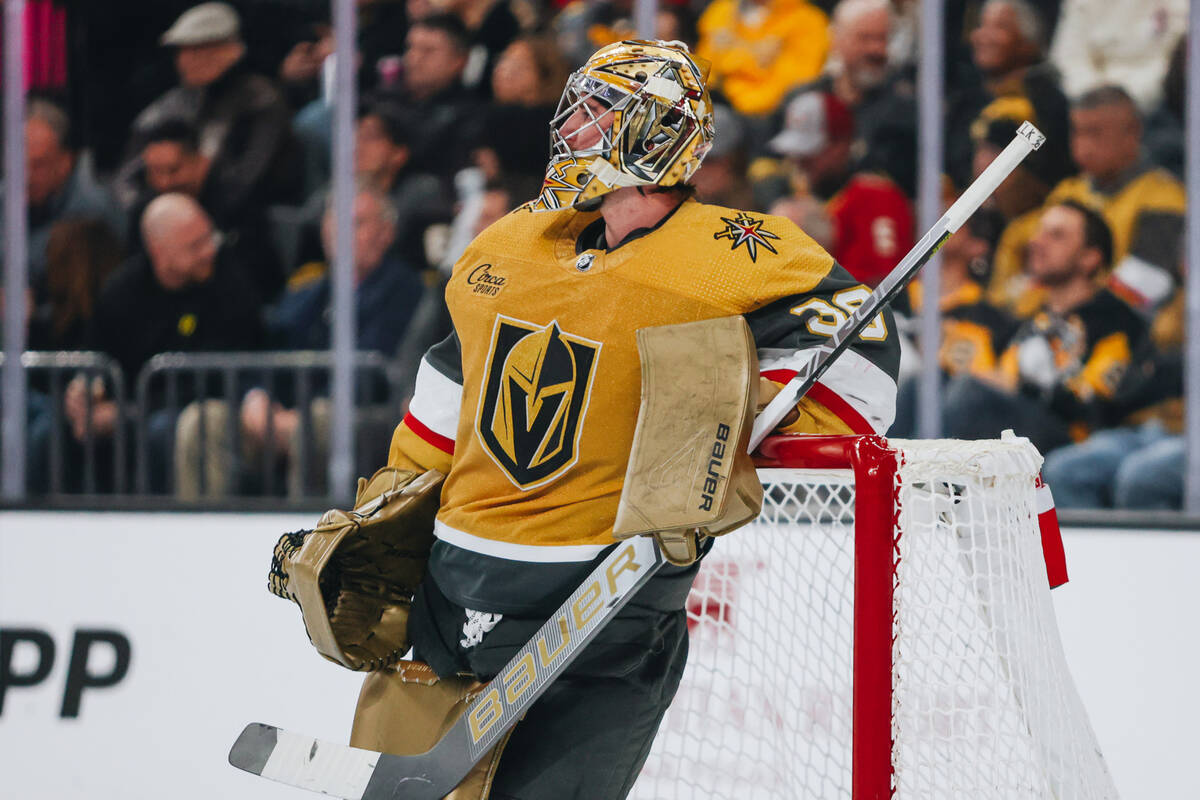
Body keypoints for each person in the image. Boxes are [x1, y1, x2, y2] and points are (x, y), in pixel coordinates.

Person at [294, 40, 900, 799]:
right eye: (575, 107)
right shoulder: (518, 239)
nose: (571, 127)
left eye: (597, 112)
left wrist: (748, 422)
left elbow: (862, 349)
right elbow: (451, 378)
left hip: (603, 604)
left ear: (654, 137)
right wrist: (394, 501)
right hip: (455, 591)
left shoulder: (736, 251)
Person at [176, 188, 428, 500]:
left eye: (357, 223)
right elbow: (268, 352)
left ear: (386, 233)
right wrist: (258, 398)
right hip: (287, 418)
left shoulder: (406, 292)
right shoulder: (306, 293)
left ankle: (309, 542)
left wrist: (298, 419)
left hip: (361, 419)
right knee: (203, 421)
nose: (341, 233)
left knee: (320, 422)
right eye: (334, 222)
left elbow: (375, 373)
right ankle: (203, 537)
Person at [61, 193, 263, 493]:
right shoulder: (123, 290)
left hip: (196, 409)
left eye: (210, 237)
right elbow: (94, 351)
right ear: (159, 252)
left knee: (160, 430)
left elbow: (214, 376)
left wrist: (126, 412)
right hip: (131, 408)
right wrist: (86, 388)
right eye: (195, 245)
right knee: (50, 431)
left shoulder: (230, 283)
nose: (209, 251)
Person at [941, 200, 1146, 455]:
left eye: (1056, 235)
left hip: (1070, 442)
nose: (1036, 242)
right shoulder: (1032, 318)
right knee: (926, 383)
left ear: (1089, 258)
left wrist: (1017, 386)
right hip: (1011, 429)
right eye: (1040, 232)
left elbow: (1094, 403)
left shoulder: (1115, 320)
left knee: (970, 394)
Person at [129, 2, 302, 219]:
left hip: (247, 221)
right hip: (175, 217)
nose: (185, 60)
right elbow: (129, 176)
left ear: (231, 51)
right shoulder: (177, 102)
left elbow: (246, 183)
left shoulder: (262, 101)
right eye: (182, 50)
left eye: (198, 49)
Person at [1045, 84, 1186, 314]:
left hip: (1124, 329)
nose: (1083, 147)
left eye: (1095, 133)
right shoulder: (1066, 193)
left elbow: (1143, 286)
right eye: (1077, 132)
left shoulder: (1165, 197)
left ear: (1132, 132)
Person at [20, 99, 125, 284]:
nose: (25, 176)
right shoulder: (7, 193)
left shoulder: (94, 209)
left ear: (65, 163)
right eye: (18, 163)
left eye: (38, 165)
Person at [695, 0, 830, 117]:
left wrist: (733, 58)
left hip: (766, 114)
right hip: (717, 102)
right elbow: (704, 71)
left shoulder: (809, 21)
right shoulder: (721, 11)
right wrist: (756, 60)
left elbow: (794, 83)